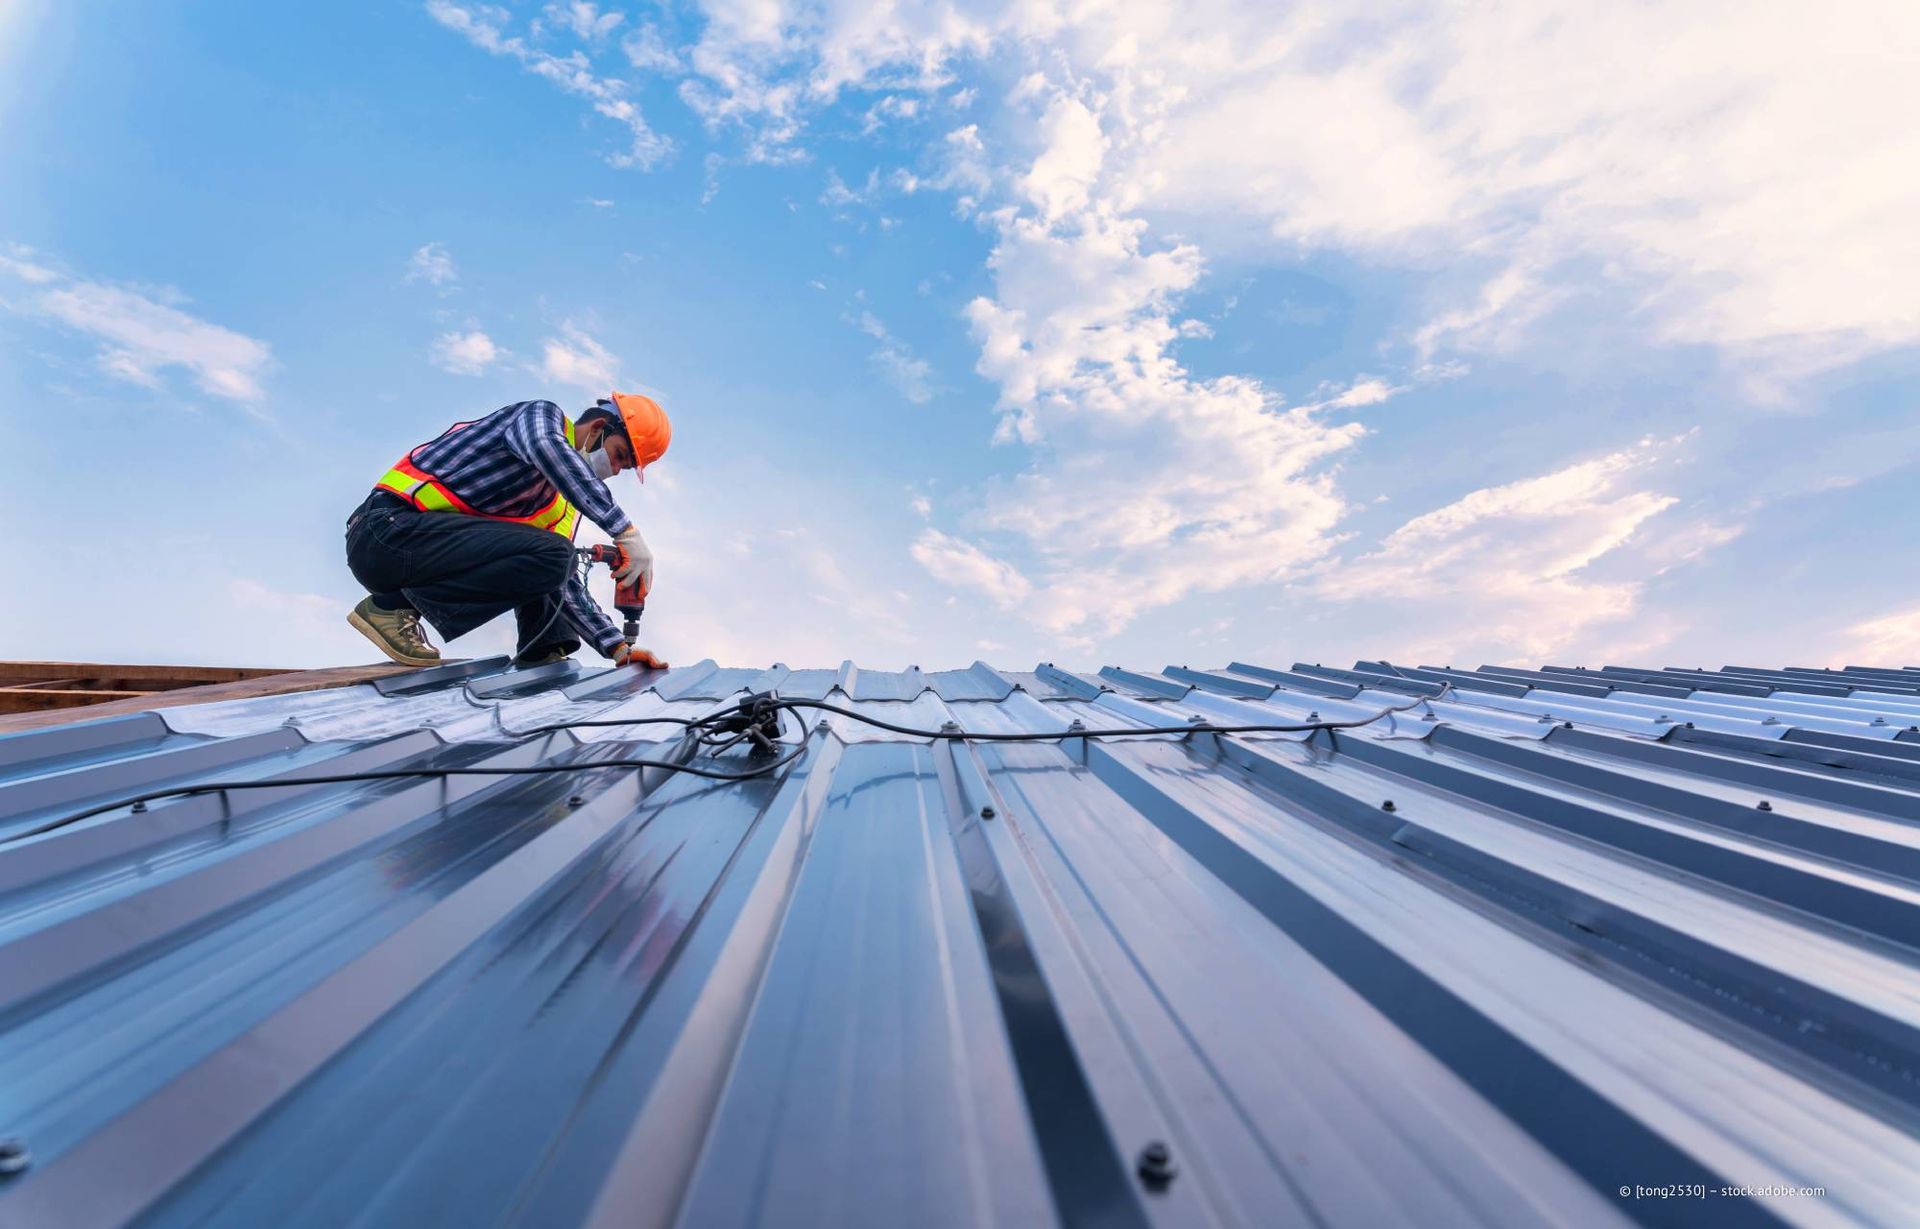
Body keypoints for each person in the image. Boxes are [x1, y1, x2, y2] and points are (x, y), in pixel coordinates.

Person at [343, 393, 670, 670]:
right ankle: (390, 608)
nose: (613, 470)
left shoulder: (558, 503)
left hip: (426, 555)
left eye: (622, 468)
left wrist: (616, 648)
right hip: (385, 532)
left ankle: (541, 652)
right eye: (618, 456)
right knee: (556, 551)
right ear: (599, 427)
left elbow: (563, 579)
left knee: (555, 558)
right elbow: (547, 449)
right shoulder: (540, 418)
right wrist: (625, 533)